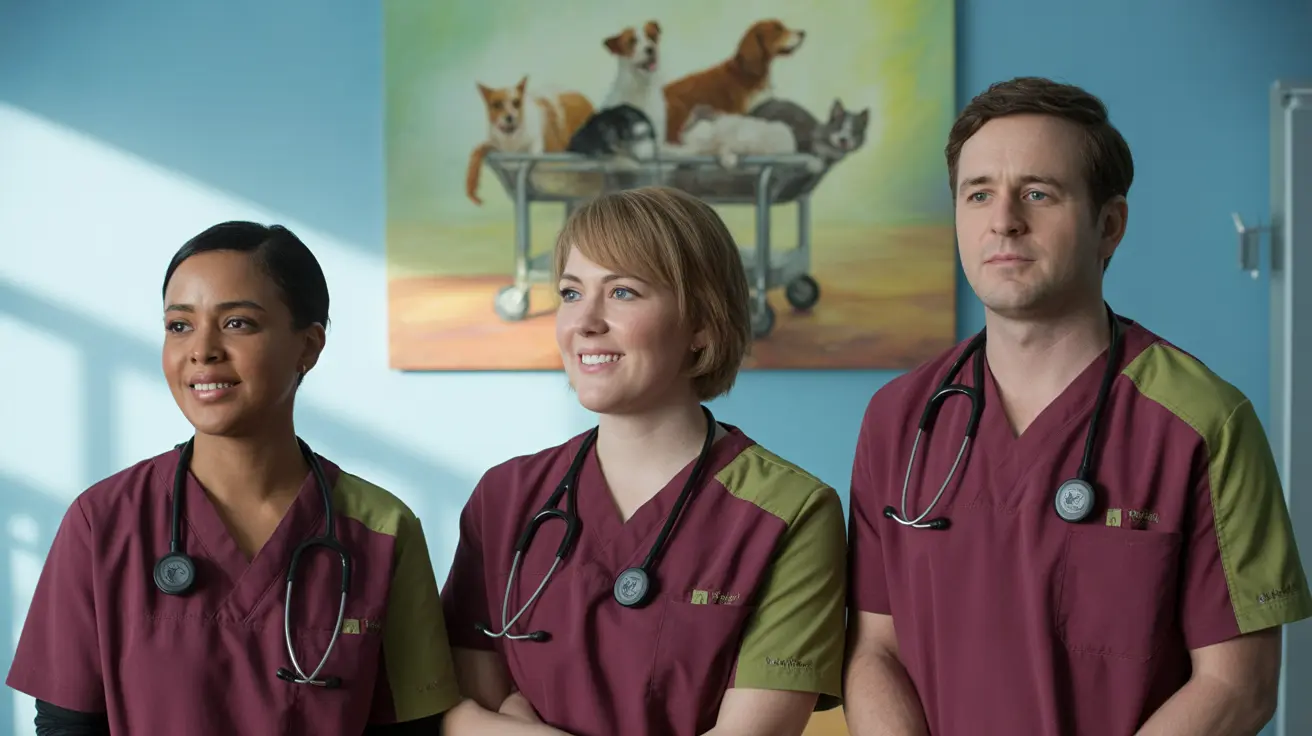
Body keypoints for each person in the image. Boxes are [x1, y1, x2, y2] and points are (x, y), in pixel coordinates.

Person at [842, 76, 1312, 735]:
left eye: (1038, 193)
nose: (1004, 218)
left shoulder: (1202, 423)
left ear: (1109, 225)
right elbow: (874, 648)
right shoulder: (900, 420)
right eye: (979, 194)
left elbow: (1238, 686)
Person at [6, 222, 464, 735]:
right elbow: (66, 725)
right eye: (179, 326)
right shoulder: (104, 522)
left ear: (308, 347)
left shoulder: (382, 530)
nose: (202, 350)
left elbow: (413, 729)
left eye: (238, 324)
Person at [437, 186, 848, 736]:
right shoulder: (506, 498)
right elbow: (456, 712)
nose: (585, 322)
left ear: (701, 323)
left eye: (624, 293)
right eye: (570, 292)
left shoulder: (790, 512)